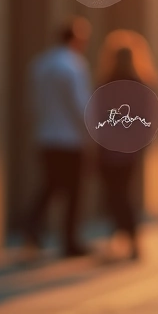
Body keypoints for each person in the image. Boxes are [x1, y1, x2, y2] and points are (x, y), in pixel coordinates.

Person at [25, 17, 93, 258]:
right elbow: (79, 105)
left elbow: (34, 101)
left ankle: (32, 225)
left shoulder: (40, 64)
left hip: (46, 136)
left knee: (50, 186)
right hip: (69, 139)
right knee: (73, 193)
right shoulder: (74, 65)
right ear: (75, 38)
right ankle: (70, 241)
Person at [95, 30, 158, 260]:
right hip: (129, 150)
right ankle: (128, 240)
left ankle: (126, 239)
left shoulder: (106, 83)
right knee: (122, 194)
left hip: (109, 149)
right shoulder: (141, 83)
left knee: (114, 195)